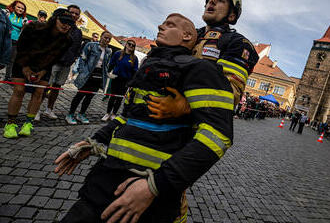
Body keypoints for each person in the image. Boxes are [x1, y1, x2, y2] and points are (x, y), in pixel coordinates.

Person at [55, 13, 234, 223]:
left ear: (187, 36)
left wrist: (155, 185)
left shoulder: (200, 69)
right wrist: (94, 143)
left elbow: (218, 135)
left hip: (150, 194)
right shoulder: (150, 65)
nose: (160, 25)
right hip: (106, 178)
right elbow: (126, 118)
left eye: (169, 24)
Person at [146, 0, 258, 120]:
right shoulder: (190, 34)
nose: (212, 1)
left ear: (232, 15)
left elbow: (230, 94)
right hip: (160, 115)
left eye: (221, 0)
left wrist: (186, 106)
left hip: (198, 123)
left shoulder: (237, 43)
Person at [2, 8, 73, 138]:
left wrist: (44, 70)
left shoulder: (67, 40)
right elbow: (21, 47)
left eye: (70, 23)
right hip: (23, 60)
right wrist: (25, 67)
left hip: (44, 66)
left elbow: (56, 57)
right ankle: (10, 124)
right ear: (54, 19)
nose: (66, 25)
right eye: (63, 21)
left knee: (39, 93)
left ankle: (28, 124)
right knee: (19, 90)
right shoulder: (33, 27)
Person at [42, 5, 83, 120]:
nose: (74, 15)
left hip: (66, 63)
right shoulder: (60, 25)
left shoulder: (78, 31)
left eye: (76, 14)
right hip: (54, 61)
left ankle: (49, 109)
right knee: (46, 85)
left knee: (57, 87)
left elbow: (77, 48)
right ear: (67, 12)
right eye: (72, 12)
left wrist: (73, 58)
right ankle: (36, 109)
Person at [65, 31, 113, 124]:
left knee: (90, 97)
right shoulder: (91, 45)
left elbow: (106, 64)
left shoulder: (108, 51)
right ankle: (70, 114)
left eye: (109, 39)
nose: (107, 40)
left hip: (98, 76)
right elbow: (83, 58)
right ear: (101, 37)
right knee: (80, 95)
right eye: (105, 37)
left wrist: (106, 75)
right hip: (88, 73)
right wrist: (83, 71)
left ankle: (81, 114)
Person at [101, 39, 138, 121]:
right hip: (115, 78)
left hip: (126, 81)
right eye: (129, 44)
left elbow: (135, 71)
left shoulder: (134, 58)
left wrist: (131, 83)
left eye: (133, 45)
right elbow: (111, 64)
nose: (131, 46)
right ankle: (107, 113)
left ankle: (114, 114)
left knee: (119, 98)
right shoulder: (118, 54)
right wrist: (108, 73)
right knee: (112, 97)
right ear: (126, 44)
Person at [3, 0, 28, 81]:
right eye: (18, 7)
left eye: (22, 9)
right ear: (14, 6)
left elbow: (24, 30)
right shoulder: (7, 13)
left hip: (15, 41)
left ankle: (8, 77)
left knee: (12, 60)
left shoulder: (24, 19)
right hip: (4, 38)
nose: (20, 9)